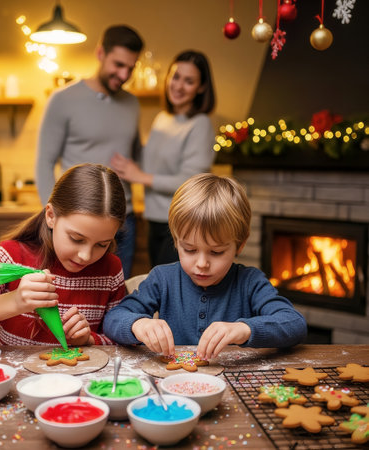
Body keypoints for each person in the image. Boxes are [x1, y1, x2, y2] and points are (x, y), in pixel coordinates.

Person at [103, 173, 308, 360]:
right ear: (176, 241)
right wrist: (138, 324)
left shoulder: (250, 282)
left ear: (240, 244)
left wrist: (244, 329)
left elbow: (294, 324)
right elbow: (114, 318)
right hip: (173, 384)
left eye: (216, 252)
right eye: (190, 250)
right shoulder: (163, 278)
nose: (202, 264)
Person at [0, 163, 127, 346]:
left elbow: (120, 341)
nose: (85, 255)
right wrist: (13, 302)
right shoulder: (9, 255)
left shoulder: (111, 269)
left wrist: (90, 340)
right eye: (76, 238)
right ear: (51, 216)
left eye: (102, 244)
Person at [35, 25, 144, 280]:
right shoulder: (63, 99)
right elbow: (44, 162)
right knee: (71, 295)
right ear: (100, 53)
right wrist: (52, 220)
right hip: (77, 222)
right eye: (118, 64)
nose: (124, 73)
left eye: (131, 67)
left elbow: (137, 155)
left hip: (123, 222)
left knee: (117, 297)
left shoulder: (132, 103)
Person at [111, 50, 216, 267]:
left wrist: (139, 176)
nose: (178, 86)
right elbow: (152, 163)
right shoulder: (162, 118)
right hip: (155, 220)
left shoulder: (200, 124)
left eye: (189, 81)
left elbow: (190, 182)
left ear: (202, 88)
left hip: (181, 224)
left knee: (170, 293)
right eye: (176, 77)